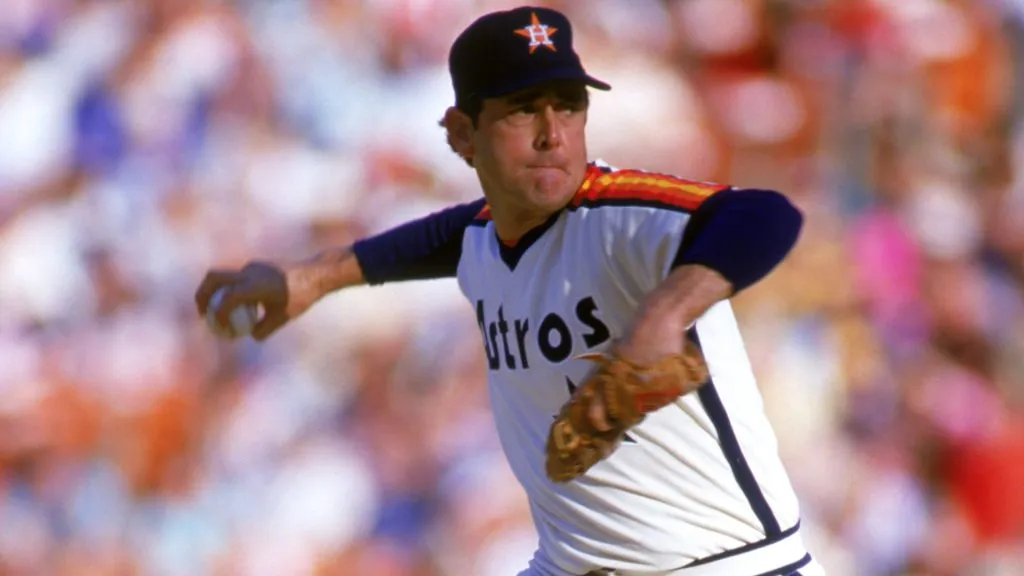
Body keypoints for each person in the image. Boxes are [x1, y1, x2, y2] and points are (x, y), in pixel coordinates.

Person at [195, 6, 825, 576]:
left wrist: (665, 314)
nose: (553, 132)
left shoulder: (620, 216)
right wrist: (314, 276)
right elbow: (450, 235)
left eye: (568, 103)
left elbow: (763, 214)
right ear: (462, 135)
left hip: (731, 565)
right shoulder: (485, 236)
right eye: (524, 108)